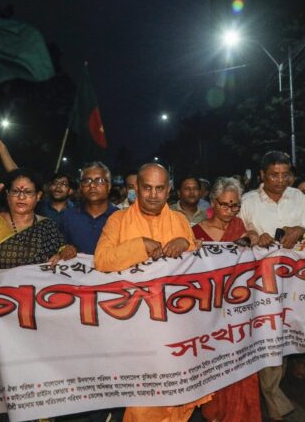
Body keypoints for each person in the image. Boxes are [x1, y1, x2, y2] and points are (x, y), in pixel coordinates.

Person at [94, 163, 209, 421]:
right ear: (137, 188)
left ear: (168, 191)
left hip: (175, 327)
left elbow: (197, 269)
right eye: (147, 188)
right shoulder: (118, 220)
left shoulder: (180, 220)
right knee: (143, 400)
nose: (154, 194)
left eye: (159, 188)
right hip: (134, 328)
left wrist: (186, 242)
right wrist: (139, 246)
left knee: (178, 397)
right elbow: (102, 260)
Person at [238, 151, 305, 422]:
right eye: (274, 175)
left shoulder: (298, 197)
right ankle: (274, 403)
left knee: (283, 337)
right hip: (259, 283)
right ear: (262, 176)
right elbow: (238, 234)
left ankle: (271, 389)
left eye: (285, 174)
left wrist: (299, 231)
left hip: (294, 281)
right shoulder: (248, 201)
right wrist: (255, 236)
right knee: (268, 335)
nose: (280, 180)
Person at [191, 177, 260, 422]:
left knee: (242, 369)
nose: (230, 211)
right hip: (208, 313)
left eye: (235, 206)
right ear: (212, 202)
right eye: (224, 205)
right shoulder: (195, 233)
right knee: (214, 366)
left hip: (238, 310)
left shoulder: (240, 227)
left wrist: (253, 238)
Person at [0, 169, 76, 269]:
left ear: (38, 196)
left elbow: (63, 249)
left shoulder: (47, 225)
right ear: (7, 194)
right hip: (0, 290)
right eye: (15, 191)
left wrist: (65, 253)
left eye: (28, 192)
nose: (21, 197)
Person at [61, 162, 118, 255]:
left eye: (99, 181)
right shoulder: (68, 216)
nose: (92, 185)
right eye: (87, 181)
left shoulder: (120, 217)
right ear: (80, 187)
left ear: (109, 186)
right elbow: (59, 246)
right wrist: (62, 250)